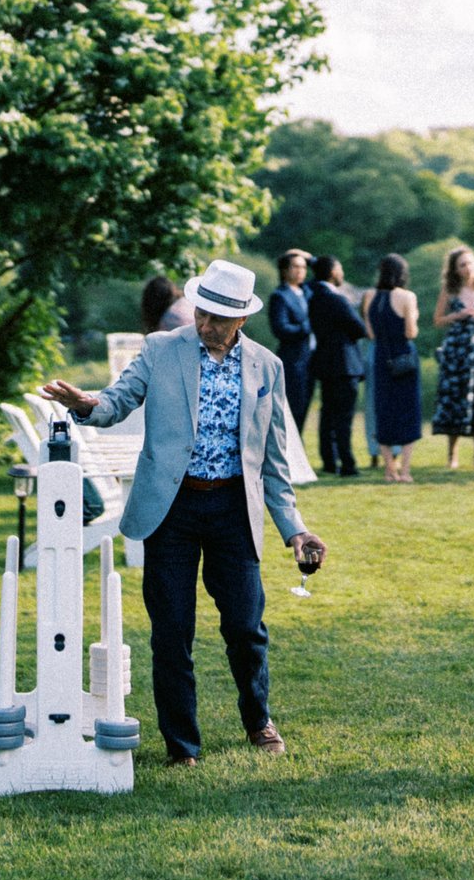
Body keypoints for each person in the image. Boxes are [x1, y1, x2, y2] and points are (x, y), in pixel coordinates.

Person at [40, 260, 327, 766]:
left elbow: (274, 461)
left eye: (218, 317)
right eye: (202, 312)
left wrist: (295, 528)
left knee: (245, 627)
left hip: (233, 509)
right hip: (170, 509)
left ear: (241, 319)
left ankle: (258, 720)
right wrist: (86, 404)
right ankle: (182, 745)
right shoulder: (160, 349)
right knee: (172, 631)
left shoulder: (267, 367)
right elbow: (118, 401)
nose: (205, 324)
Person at [306, 255, 370, 477]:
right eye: (340, 269)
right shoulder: (337, 299)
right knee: (344, 417)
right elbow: (359, 328)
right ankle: (348, 463)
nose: (342, 273)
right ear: (333, 271)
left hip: (324, 362)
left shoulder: (313, 297)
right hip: (344, 363)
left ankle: (329, 460)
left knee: (327, 414)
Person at [361, 253, 422, 482]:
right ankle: (405, 471)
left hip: (381, 358)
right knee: (408, 412)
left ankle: (389, 469)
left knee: (383, 410)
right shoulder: (407, 296)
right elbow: (411, 332)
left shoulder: (369, 296)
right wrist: (413, 314)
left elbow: (370, 333)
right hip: (404, 357)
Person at [431, 245, 474, 469]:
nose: (467, 268)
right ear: (455, 270)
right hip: (455, 350)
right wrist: (458, 315)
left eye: (470, 263)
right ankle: (452, 455)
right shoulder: (449, 290)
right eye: (462, 265)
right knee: (454, 399)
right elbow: (437, 320)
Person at [267, 250, 316, 433]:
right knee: (293, 407)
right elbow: (280, 328)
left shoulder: (307, 291)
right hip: (293, 359)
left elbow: (323, 270)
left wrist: (310, 258)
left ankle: (299, 450)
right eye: (295, 266)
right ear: (285, 270)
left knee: (304, 406)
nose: (300, 271)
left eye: (303, 267)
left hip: (311, 358)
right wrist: (307, 326)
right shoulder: (280, 296)